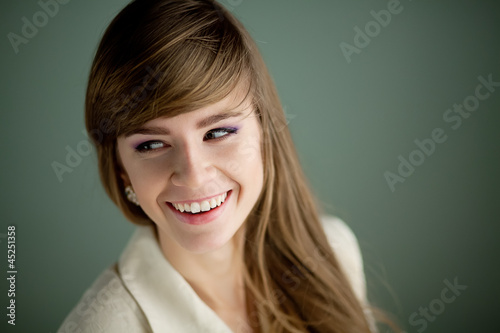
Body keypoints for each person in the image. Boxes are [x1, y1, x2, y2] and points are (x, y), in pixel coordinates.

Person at [58, 0, 384, 332]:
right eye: (152, 144)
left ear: (264, 133)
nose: (194, 175)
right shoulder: (102, 326)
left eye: (218, 132)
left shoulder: (334, 249)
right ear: (121, 169)